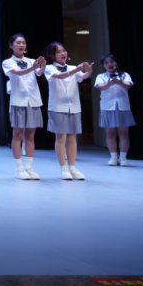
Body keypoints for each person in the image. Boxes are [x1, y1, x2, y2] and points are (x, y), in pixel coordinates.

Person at [43, 42, 93, 181]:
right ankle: (63, 167)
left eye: (64, 51)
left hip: (74, 106)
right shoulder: (49, 68)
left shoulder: (72, 68)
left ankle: (72, 167)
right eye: (58, 52)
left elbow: (82, 76)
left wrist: (88, 71)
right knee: (61, 138)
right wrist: (77, 69)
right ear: (52, 56)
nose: (63, 53)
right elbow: (60, 76)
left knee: (72, 137)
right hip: (58, 107)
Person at [2, 34, 45, 180]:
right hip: (18, 101)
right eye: (18, 42)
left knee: (30, 135)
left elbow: (38, 73)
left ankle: (29, 167)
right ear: (11, 45)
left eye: (24, 42)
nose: (21, 45)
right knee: (18, 134)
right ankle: (19, 168)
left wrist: (42, 66)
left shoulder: (31, 61)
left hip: (33, 100)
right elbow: (18, 72)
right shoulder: (7, 62)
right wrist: (34, 67)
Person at [94, 53, 135, 167]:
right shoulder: (101, 76)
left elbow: (128, 86)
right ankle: (113, 157)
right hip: (108, 107)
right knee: (110, 133)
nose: (110, 64)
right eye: (106, 63)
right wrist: (109, 84)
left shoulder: (124, 75)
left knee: (124, 133)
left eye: (112, 61)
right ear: (103, 65)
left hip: (122, 106)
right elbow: (100, 87)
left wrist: (120, 82)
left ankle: (123, 157)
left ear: (116, 63)